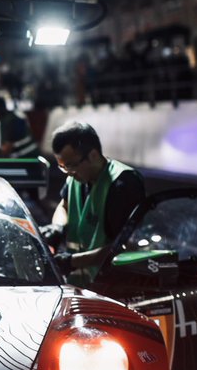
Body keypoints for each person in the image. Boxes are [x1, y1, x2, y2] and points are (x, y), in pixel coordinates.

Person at [43, 120, 146, 283]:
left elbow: (125, 245)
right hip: (81, 285)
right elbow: (64, 206)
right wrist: (58, 227)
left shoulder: (122, 184)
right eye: (63, 167)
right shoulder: (75, 179)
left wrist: (73, 261)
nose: (68, 174)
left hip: (111, 285)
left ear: (93, 155)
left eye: (70, 166)